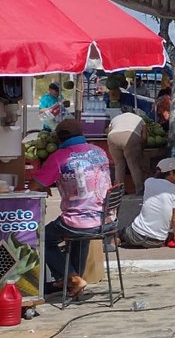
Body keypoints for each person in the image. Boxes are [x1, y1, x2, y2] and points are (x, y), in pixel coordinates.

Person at [28, 119, 112, 297]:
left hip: (78, 221)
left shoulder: (60, 157)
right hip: (105, 219)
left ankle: (72, 278)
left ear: (59, 139)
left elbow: (34, 185)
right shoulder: (99, 151)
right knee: (80, 233)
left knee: (42, 238)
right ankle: (72, 280)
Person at [118, 158, 175, 249]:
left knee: (119, 233)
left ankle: (114, 244)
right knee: (171, 235)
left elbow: (169, 180)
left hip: (135, 236)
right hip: (157, 241)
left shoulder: (148, 182)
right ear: (170, 173)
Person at [106, 110, 147, 194]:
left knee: (118, 165)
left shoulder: (115, 118)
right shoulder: (140, 119)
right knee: (134, 165)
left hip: (113, 137)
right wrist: (141, 148)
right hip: (130, 136)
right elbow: (144, 137)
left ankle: (119, 191)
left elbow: (108, 131)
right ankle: (139, 190)